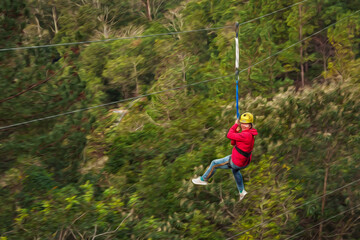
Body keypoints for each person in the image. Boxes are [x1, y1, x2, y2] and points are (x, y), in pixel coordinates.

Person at [192, 112, 258, 201]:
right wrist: (236, 131)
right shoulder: (249, 134)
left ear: (250, 125)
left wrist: (235, 126)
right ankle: (241, 191)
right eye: (242, 123)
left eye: (246, 124)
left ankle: (203, 179)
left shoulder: (246, 135)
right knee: (235, 171)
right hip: (243, 162)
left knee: (214, 163)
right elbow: (233, 142)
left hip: (236, 161)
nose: (244, 125)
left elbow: (229, 135)